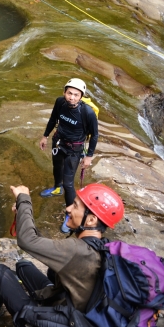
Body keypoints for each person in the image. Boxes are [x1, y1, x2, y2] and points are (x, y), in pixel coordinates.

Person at [0, 183, 124, 327]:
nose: (68, 209)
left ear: (92, 219)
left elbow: (27, 241)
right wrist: (21, 216)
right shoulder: (98, 246)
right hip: (67, 306)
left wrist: (24, 199)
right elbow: (41, 244)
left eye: (76, 206)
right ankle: (19, 293)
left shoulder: (77, 250)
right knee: (23, 266)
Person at [38, 78, 98, 233]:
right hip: (58, 142)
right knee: (56, 167)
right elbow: (53, 119)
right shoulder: (60, 103)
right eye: (69, 93)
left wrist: (89, 156)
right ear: (64, 92)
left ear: (81, 96)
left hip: (74, 150)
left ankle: (70, 213)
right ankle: (57, 189)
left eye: (76, 95)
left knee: (69, 183)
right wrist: (45, 136)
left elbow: (95, 135)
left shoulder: (87, 112)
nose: (72, 97)